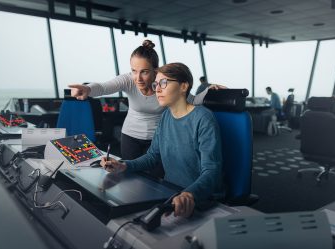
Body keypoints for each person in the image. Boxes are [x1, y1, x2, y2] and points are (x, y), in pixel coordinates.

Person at [69, 40, 222, 170]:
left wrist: (209, 91)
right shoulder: (128, 80)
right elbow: (103, 87)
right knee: (130, 177)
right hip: (130, 136)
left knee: (156, 180)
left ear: (155, 71)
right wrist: (87, 89)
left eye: (144, 72)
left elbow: (192, 100)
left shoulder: (165, 84)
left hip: (157, 139)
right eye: (134, 71)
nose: (138, 78)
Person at [99, 62, 223, 218]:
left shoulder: (203, 118)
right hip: (170, 193)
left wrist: (189, 194)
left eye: (164, 83)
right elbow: (153, 156)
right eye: (156, 84)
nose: (156, 89)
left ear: (183, 86)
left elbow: (212, 171)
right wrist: (123, 166)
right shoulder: (166, 116)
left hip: (197, 199)